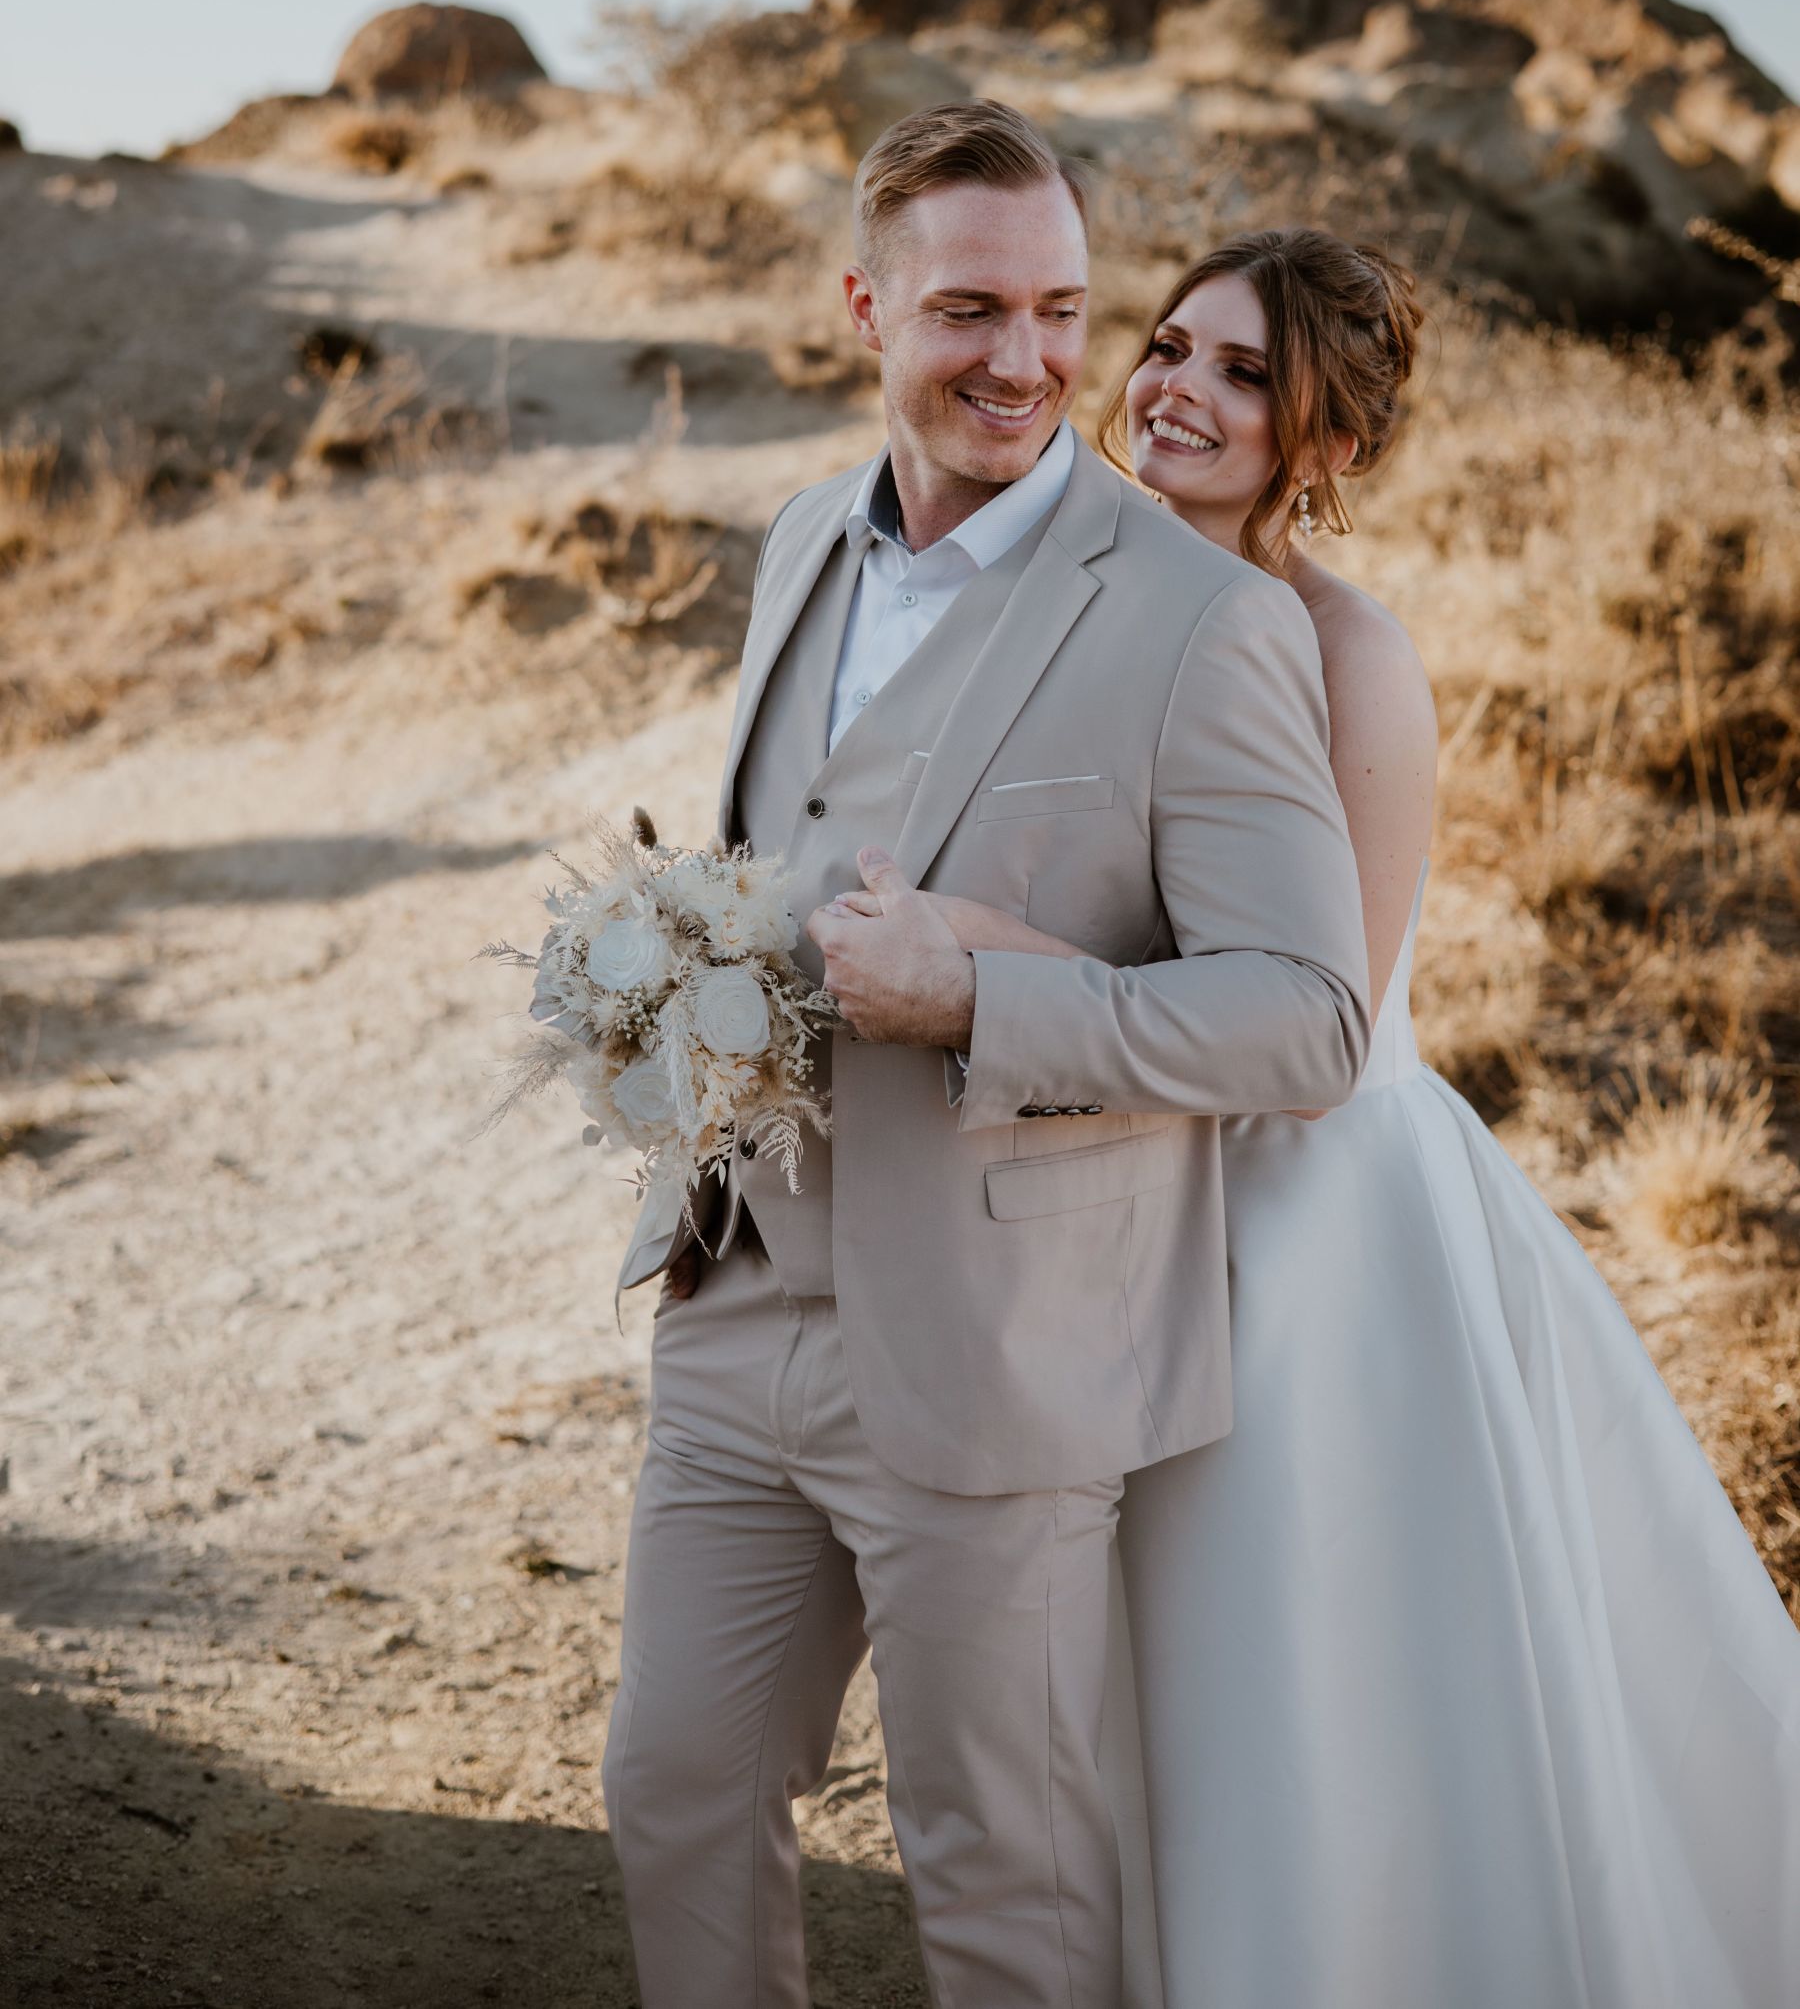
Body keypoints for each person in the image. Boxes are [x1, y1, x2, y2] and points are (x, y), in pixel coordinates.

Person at [845, 227, 1800, 2009]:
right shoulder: (1063, 601)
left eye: (1244, 374)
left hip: (1312, 1223)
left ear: (1329, 444)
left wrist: (977, 956)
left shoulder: (1348, 653)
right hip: (1110, 1183)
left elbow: (1323, 1024)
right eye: (1170, 346)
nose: (1177, 391)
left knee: (1297, 1655)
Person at [600, 108, 1372, 2008]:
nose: (1025, 362)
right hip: (739, 1300)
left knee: (1000, 1887)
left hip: (1003, 1350)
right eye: (968, 311)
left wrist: (976, 1003)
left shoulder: (1206, 621)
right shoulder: (802, 540)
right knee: (675, 1793)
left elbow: (1310, 1014)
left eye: (1060, 310)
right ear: (866, 308)